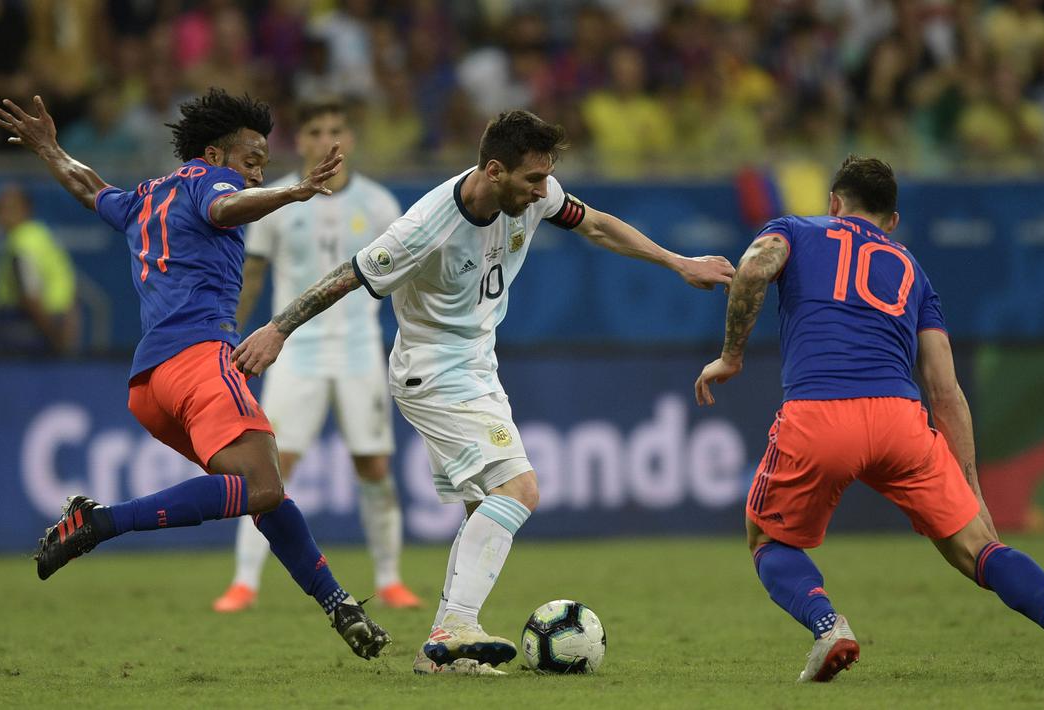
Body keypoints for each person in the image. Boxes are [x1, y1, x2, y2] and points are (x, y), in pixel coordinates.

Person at [231, 110, 734, 675]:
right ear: (494, 170)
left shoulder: (535, 193)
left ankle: (442, 656)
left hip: (476, 366)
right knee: (519, 489)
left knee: (481, 508)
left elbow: (593, 223)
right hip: (433, 373)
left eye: (546, 179)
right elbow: (347, 276)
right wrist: (277, 329)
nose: (544, 192)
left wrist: (677, 260)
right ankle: (455, 625)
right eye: (532, 180)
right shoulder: (426, 226)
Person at [694, 155, 1044, 682]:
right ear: (892, 221)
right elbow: (946, 389)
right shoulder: (913, 271)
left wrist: (731, 356)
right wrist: (970, 486)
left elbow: (755, 266)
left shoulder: (796, 229)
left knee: (768, 539)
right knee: (981, 550)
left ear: (833, 204)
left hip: (820, 414)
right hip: (901, 420)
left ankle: (829, 627)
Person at [0, 89, 390, 660]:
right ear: (214, 151)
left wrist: (51, 149)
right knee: (262, 485)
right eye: (251, 161)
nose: (255, 174)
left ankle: (339, 604)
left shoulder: (144, 198)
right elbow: (224, 208)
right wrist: (295, 192)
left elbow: (88, 189)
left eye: (263, 166)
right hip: (201, 359)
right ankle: (102, 521)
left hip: (151, 385)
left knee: (262, 494)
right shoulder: (210, 180)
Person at [213, 100, 422, 614]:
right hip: (294, 350)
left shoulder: (379, 204)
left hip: (358, 350)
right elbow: (253, 275)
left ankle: (391, 578)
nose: (328, 138)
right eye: (315, 130)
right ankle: (244, 581)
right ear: (300, 142)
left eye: (337, 129)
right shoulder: (277, 201)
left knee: (373, 464)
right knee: (270, 467)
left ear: (350, 137)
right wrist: (226, 331)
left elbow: (402, 279)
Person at [0, 184, 78, 356]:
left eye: (9, 208)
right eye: (1, 208)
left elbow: (30, 296)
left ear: (25, 209)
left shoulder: (22, 245)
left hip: (30, 326)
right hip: (49, 321)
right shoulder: (40, 235)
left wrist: (54, 336)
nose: (3, 215)